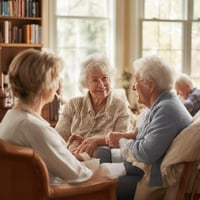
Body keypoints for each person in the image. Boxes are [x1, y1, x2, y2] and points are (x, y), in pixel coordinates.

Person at [105, 55, 193, 200]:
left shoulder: (167, 110)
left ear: (151, 86)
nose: (133, 87)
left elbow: (146, 152)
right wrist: (123, 138)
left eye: (136, 82)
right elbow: (141, 135)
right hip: (143, 168)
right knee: (102, 154)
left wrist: (121, 142)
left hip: (151, 176)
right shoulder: (161, 104)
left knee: (96, 184)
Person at [0, 48, 94, 184]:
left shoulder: (12, 117)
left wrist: (76, 157)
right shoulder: (30, 126)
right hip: (58, 193)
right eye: (56, 78)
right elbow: (80, 176)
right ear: (44, 85)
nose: (58, 85)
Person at [55, 53, 131, 162]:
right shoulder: (73, 104)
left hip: (99, 160)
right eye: (95, 80)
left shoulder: (119, 106)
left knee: (101, 152)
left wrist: (95, 141)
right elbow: (58, 137)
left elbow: (120, 140)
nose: (101, 84)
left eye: (105, 78)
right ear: (86, 82)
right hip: (70, 158)